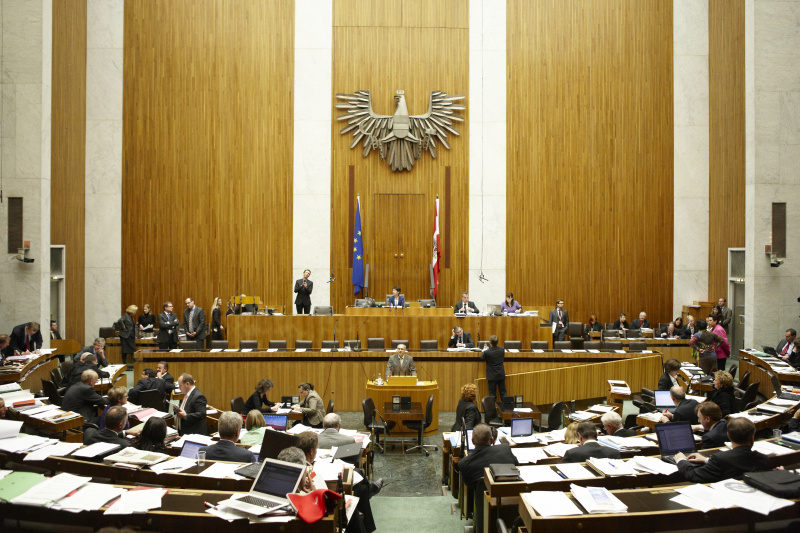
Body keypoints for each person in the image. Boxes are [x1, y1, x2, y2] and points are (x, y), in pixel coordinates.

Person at [675, 418, 770, 483]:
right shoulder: (764, 459)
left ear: (728, 435)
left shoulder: (720, 459)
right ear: (752, 438)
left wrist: (681, 460)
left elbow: (693, 475)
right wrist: (706, 460)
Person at [457, 424, 519, 488]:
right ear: (492, 440)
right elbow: (517, 467)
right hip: (510, 495)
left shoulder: (464, 464)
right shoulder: (505, 449)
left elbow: (470, 486)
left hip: (482, 497)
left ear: (472, 441)